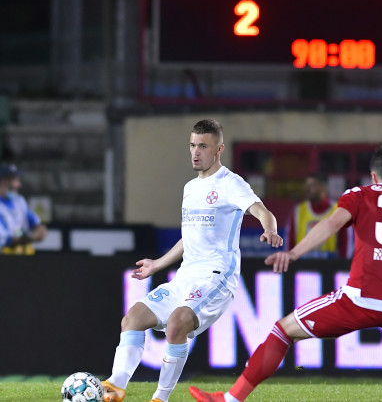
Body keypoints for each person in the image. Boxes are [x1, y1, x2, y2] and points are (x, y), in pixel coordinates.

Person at [189, 144, 382, 402]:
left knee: (283, 331)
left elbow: (332, 224)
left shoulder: (361, 194)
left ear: (373, 175)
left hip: (363, 298)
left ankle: (230, 400)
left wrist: (294, 252)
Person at [101, 119, 284, 402]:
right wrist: (158, 264)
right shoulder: (189, 188)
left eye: (203, 146)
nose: (195, 152)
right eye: (192, 145)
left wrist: (269, 229)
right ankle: (115, 387)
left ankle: (160, 398)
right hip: (186, 275)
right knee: (132, 319)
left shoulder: (231, 184)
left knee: (176, 324)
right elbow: (190, 238)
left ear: (219, 149)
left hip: (217, 276)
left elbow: (263, 211)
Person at [284, 173, 350, 258]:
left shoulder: (338, 211)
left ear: (323, 187)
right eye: (306, 185)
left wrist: (342, 265)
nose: (307, 189)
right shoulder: (298, 211)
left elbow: (345, 242)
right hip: (302, 267)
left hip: (330, 266)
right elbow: (290, 240)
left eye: (312, 185)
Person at [0, 162, 47, 255]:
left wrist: (40, 230)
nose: (18, 185)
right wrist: (31, 238)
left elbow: (35, 222)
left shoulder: (19, 201)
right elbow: (5, 239)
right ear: (4, 181)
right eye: (15, 180)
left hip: (23, 256)